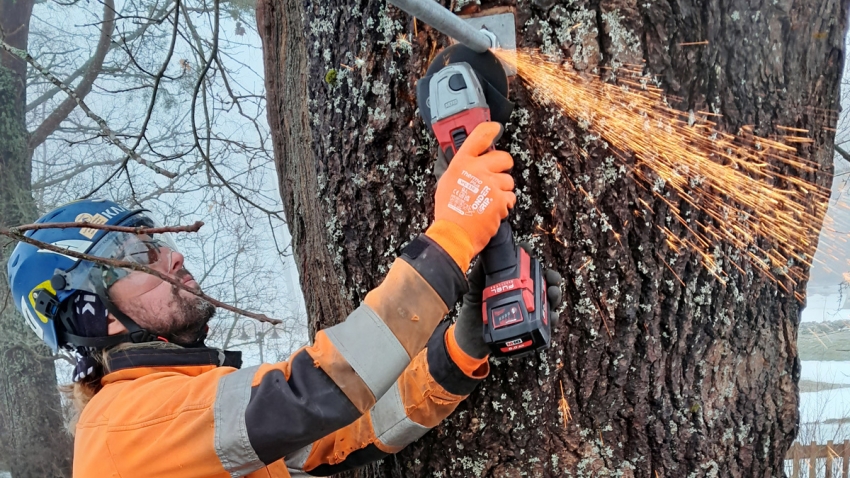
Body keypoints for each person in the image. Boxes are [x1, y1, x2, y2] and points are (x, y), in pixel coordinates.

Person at [7, 123, 562, 477]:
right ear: (90, 313)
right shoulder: (121, 431)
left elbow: (350, 431)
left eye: (160, 243)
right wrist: (451, 238)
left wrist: (458, 354)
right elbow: (313, 393)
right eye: (137, 255)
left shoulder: (191, 415)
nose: (173, 259)